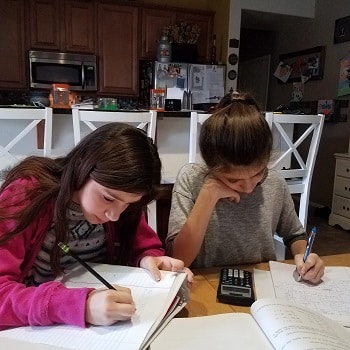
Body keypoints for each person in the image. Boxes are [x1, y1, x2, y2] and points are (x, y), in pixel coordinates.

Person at [0, 122, 192, 330]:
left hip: (98, 327)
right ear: (83, 166)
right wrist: (80, 306)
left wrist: (149, 258)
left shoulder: (121, 203)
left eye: (128, 204)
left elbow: (142, 245)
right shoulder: (26, 194)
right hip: (31, 327)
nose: (115, 216)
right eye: (108, 199)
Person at [166, 92, 324, 284]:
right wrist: (209, 194)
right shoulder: (192, 179)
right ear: (211, 166)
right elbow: (179, 258)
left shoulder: (274, 182)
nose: (248, 188)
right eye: (233, 180)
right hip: (205, 282)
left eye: (257, 174)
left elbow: (295, 234)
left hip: (262, 282)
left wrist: (303, 255)